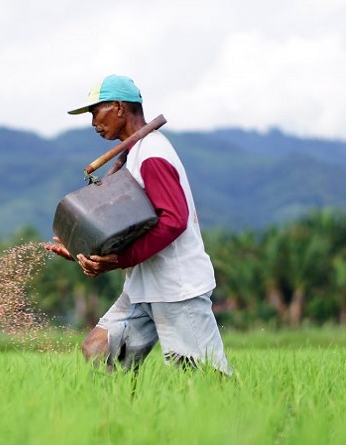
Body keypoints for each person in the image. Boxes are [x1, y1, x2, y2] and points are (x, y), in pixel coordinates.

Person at [46, 74, 231, 375]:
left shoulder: (152, 154)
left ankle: (264, 420)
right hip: (144, 285)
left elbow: (173, 222)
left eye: (96, 111)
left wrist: (118, 261)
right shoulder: (133, 155)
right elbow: (128, 226)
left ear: (119, 108)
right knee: (97, 350)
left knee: (206, 377)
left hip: (176, 287)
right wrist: (84, 249)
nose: (93, 121)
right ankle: (121, 420)